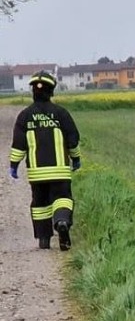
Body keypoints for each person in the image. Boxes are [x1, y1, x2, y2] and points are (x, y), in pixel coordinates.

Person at [9, 70, 82, 251]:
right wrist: (76, 158)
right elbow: (73, 139)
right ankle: (62, 222)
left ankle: (44, 240)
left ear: (33, 91)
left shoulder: (25, 116)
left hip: (37, 173)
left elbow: (18, 144)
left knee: (40, 204)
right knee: (63, 198)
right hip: (60, 171)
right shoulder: (61, 113)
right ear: (52, 91)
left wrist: (14, 165)